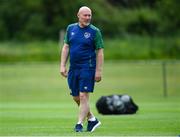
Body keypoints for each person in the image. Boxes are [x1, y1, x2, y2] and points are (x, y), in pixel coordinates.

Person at [60, 6, 104, 132]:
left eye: (89, 15)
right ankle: (92, 119)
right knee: (76, 97)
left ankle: (79, 124)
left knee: (83, 96)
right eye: (85, 15)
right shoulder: (71, 28)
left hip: (88, 67)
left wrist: (98, 70)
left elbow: (100, 52)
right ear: (78, 15)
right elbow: (66, 47)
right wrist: (62, 65)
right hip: (74, 68)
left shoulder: (95, 31)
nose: (88, 17)